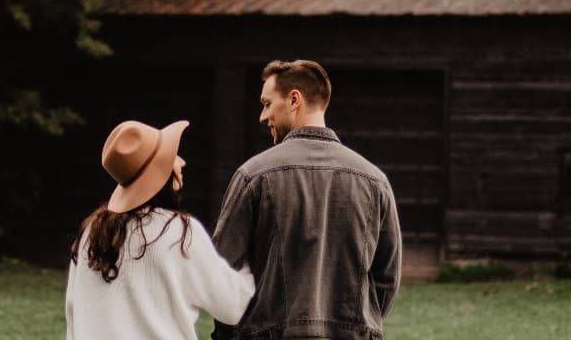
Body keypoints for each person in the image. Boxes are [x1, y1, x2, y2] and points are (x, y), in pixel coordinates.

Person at [212, 59, 402, 340]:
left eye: (266, 104)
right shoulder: (375, 181)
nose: (262, 117)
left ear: (293, 99)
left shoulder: (253, 175)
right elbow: (387, 279)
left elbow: (222, 271)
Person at [66, 119, 254, 340]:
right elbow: (232, 306)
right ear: (161, 172)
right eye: (172, 154)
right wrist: (254, 257)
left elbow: (74, 316)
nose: (181, 161)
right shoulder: (179, 231)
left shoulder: (91, 234)